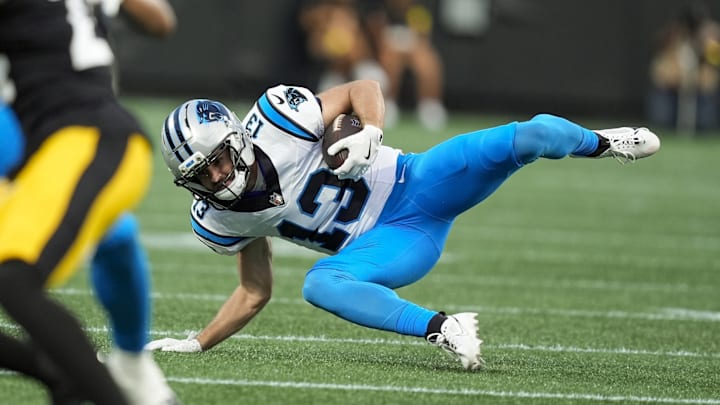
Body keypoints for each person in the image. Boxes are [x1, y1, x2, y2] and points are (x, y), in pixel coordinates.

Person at [145, 79, 660, 370]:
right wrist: (199, 341)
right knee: (321, 282)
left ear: (236, 139)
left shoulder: (279, 119)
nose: (216, 176)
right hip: (392, 244)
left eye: (217, 160)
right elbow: (254, 290)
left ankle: (605, 144)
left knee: (533, 134)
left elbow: (361, 87)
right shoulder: (221, 215)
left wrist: (370, 129)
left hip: (416, 182)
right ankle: (444, 327)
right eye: (200, 173)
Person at [0, 0, 177, 403]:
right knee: (113, 237)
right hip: (46, 145)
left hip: (84, 136)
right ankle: (64, 374)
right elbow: (160, 20)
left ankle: (111, 375)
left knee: (15, 278)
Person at [362, 0, 448, 130]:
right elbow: (377, 42)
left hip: (411, 49)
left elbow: (423, 39)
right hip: (384, 52)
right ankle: (386, 104)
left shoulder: (418, 10)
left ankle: (429, 106)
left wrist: (409, 48)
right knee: (390, 60)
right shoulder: (378, 10)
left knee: (427, 60)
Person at [647, 1, 720, 133]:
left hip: (701, 90)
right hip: (672, 90)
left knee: (705, 125)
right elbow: (660, 71)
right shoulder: (672, 36)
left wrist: (707, 44)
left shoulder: (710, 39)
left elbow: (713, 66)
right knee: (662, 123)